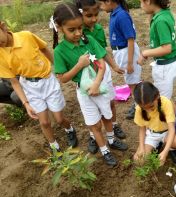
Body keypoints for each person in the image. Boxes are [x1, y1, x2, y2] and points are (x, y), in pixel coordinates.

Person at [52, 3, 127, 166]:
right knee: (94, 124)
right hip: (84, 92)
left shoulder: (89, 40)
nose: (78, 33)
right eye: (72, 30)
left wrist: (97, 83)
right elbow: (63, 78)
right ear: (59, 27)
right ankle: (104, 150)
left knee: (107, 116)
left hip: (100, 87)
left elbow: (101, 63)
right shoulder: (59, 51)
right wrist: (79, 65)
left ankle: (111, 139)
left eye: (80, 28)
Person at [0, 21, 78, 151]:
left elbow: (44, 49)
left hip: (47, 81)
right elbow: (14, 82)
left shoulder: (26, 36)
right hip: (29, 86)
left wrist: (59, 68)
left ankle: (70, 129)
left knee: (59, 119)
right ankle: (54, 146)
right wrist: (26, 103)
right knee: (44, 122)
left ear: (3, 27)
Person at [75, 0, 126, 142]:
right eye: (89, 15)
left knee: (110, 101)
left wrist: (114, 66)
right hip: (87, 77)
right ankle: (93, 135)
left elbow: (102, 51)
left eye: (96, 15)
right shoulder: (77, 33)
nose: (94, 19)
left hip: (104, 72)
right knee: (92, 108)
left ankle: (113, 125)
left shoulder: (97, 28)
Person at [99, 0, 142, 120]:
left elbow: (130, 39)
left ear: (108, 1)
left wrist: (129, 63)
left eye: (102, 3)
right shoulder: (114, 13)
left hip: (126, 51)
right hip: (121, 51)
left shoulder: (121, 15)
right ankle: (137, 105)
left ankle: (139, 108)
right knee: (131, 81)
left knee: (133, 83)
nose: (101, 6)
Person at [137, 0, 176, 99]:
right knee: (165, 98)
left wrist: (145, 53)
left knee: (162, 100)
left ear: (148, 1)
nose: (141, 6)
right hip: (170, 64)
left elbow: (166, 48)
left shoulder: (160, 21)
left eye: (141, 2)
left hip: (165, 67)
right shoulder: (165, 13)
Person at [133, 81, 176, 165]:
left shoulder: (166, 103)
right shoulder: (138, 109)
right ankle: (156, 146)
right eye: (144, 108)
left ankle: (170, 149)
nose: (148, 110)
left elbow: (172, 129)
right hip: (152, 134)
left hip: (167, 132)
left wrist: (165, 152)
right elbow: (142, 129)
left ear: (157, 96)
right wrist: (142, 148)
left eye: (151, 106)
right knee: (139, 160)